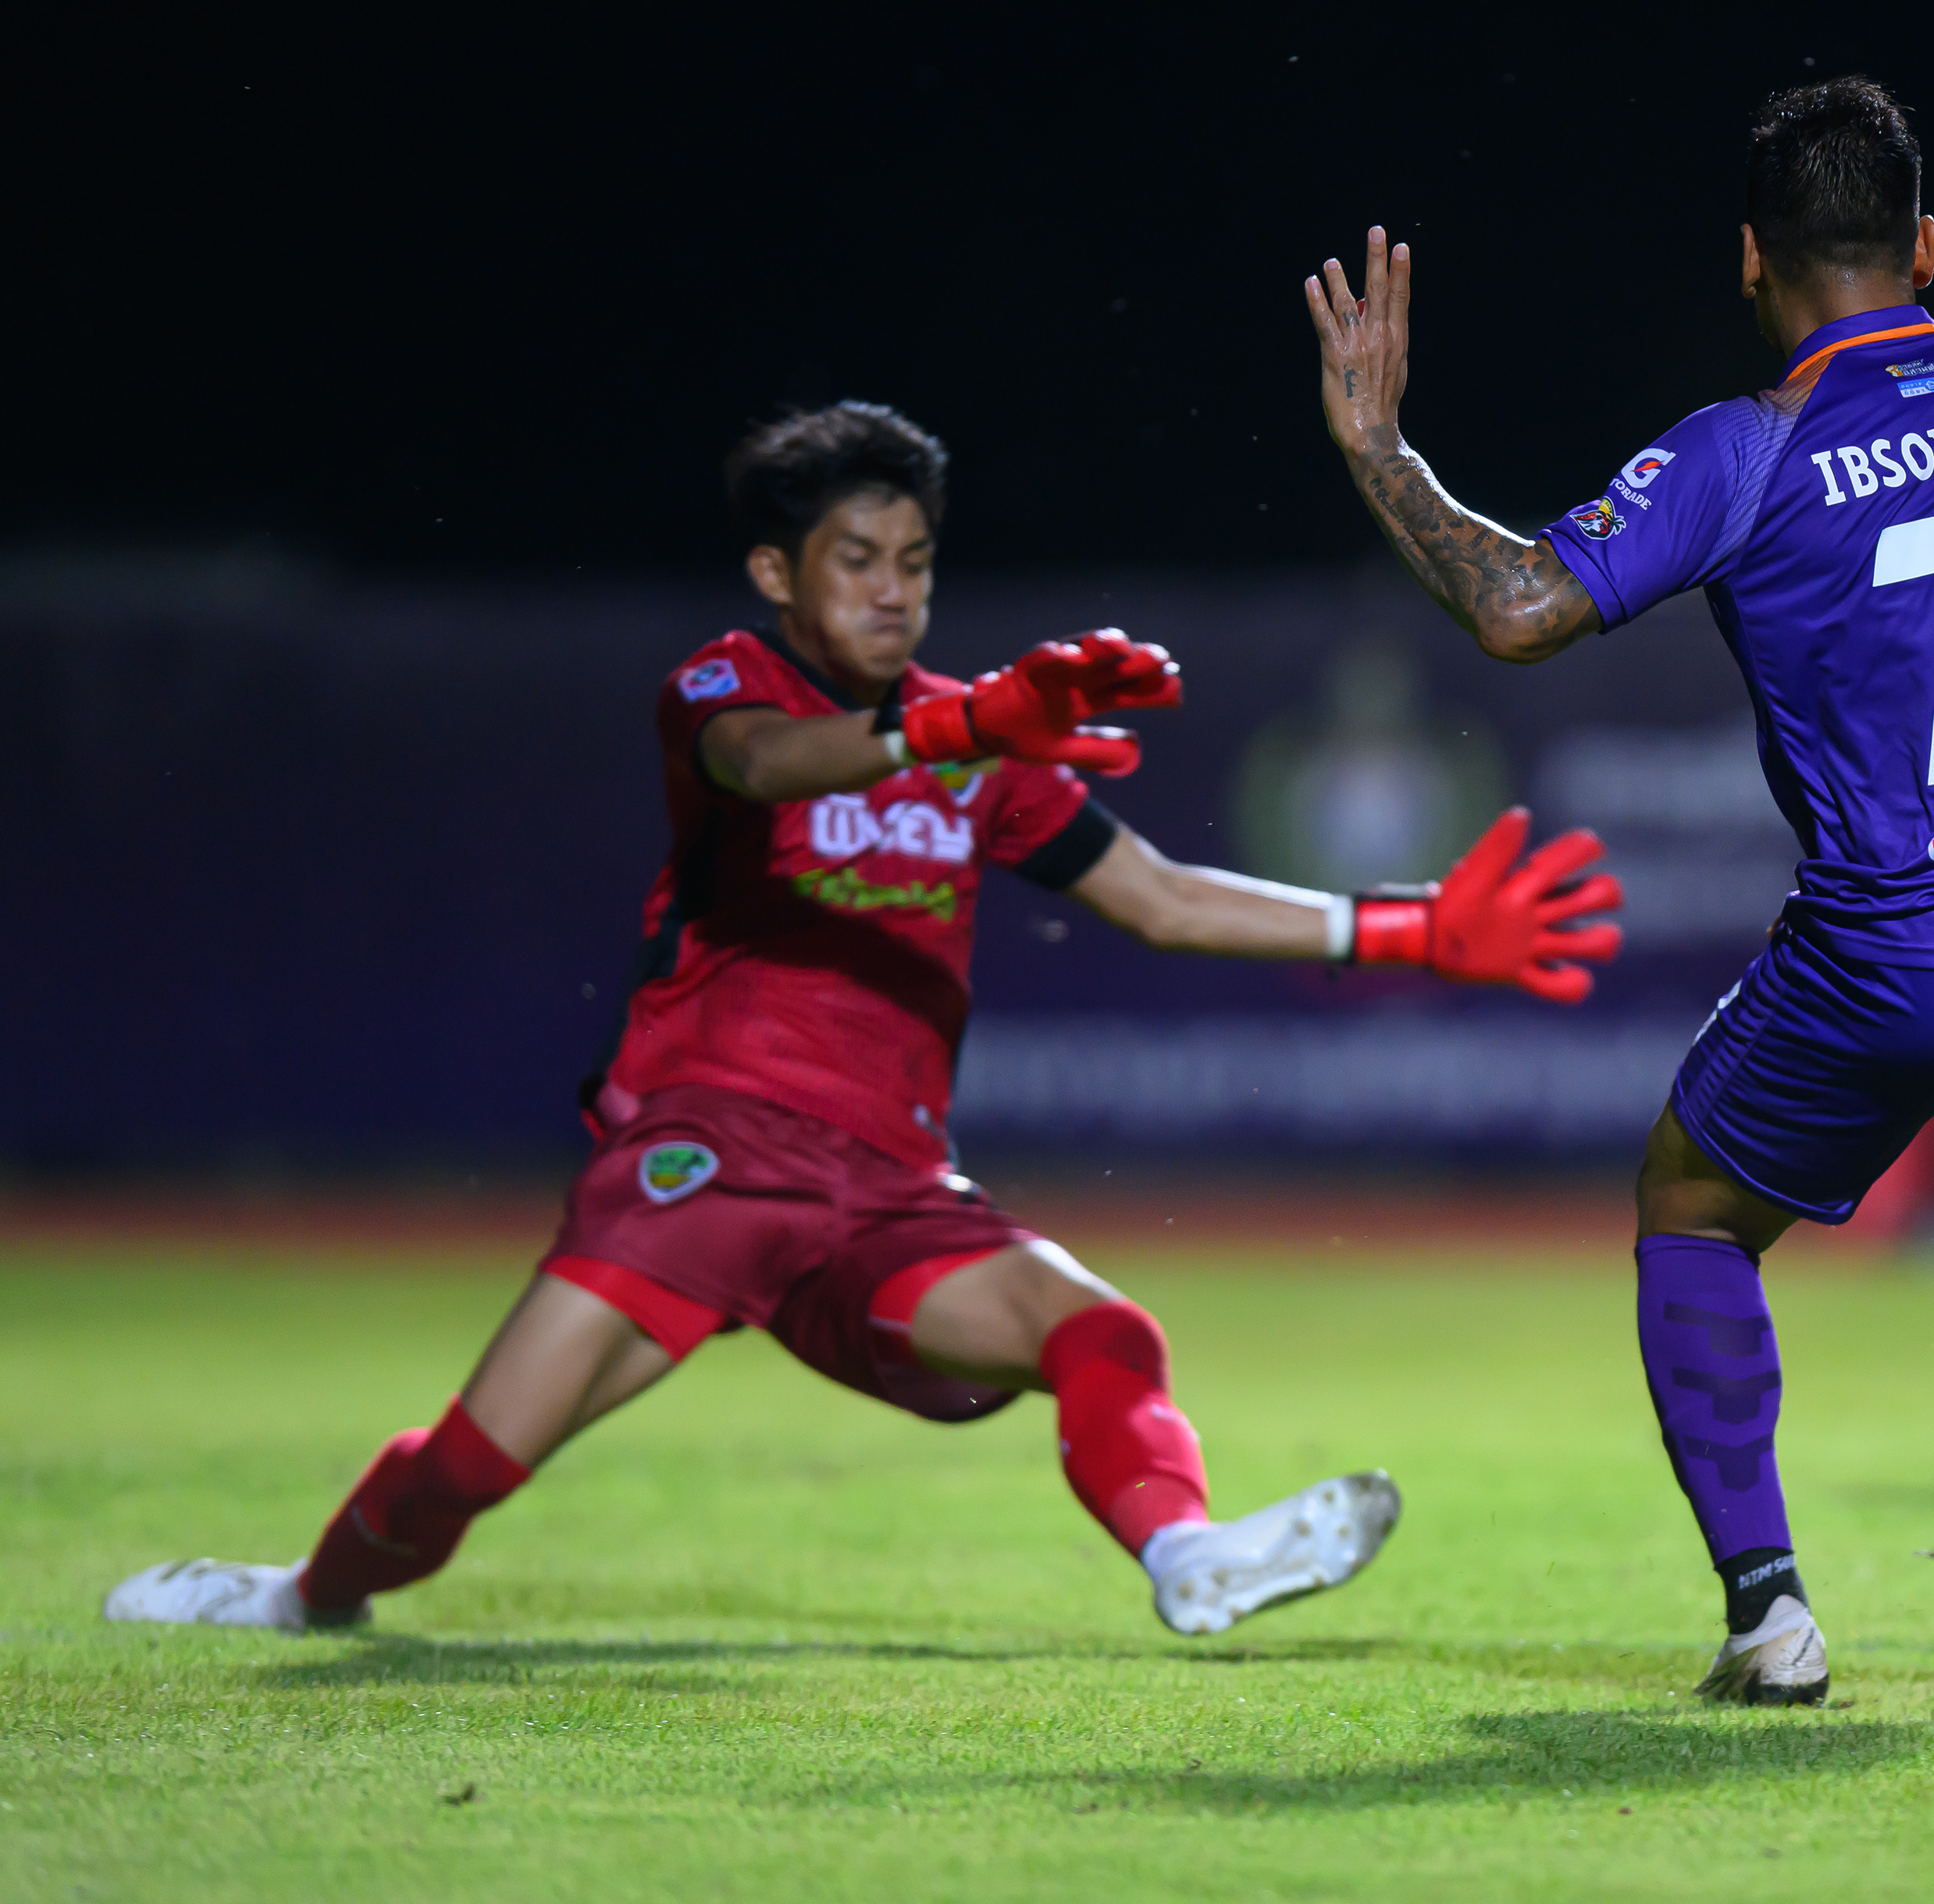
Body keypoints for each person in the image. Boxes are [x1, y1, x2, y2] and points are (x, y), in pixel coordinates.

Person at [107, 401, 1621, 1637]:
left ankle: (1189, 1558)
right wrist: (960, 723)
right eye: (856, 560)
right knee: (472, 1462)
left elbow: (1159, 898)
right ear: (777, 573)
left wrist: (1411, 927)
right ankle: (301, 1595)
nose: (894, 590)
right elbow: (769, 765)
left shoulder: (984, 734)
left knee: (1102, 1329)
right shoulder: (730, 686)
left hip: (887, 1191)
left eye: (915, 560)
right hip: (704, 1159)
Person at [1305, 77, 1934, 1701]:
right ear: (1925, 245)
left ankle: (1770, 1617)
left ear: (1751, 259)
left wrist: (1381, 450)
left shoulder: (1748, 449)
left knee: (1691, 1206)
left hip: (1904, 943)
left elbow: (1519, 608)